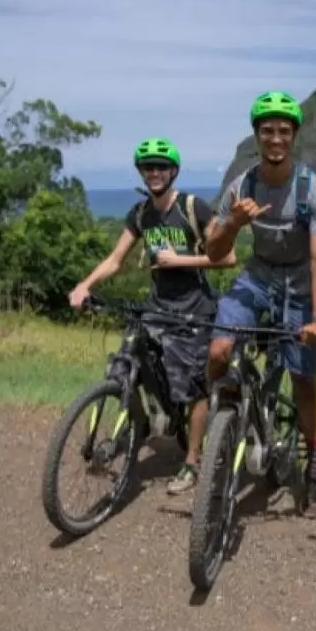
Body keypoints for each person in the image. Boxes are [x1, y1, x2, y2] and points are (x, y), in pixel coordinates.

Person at [68, 137, 235, 495]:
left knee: (192, 388)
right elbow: (116, 260)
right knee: (133, 362)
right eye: (148, 167)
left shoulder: (193, 207)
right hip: (158, 306)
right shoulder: (141, 214)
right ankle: (141, 423)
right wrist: (85, 285)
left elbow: (227, 257)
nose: (154, 172)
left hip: (194, 311)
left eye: (160, 166)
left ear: (173, 171)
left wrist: (181, 261)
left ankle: (192, 460)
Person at [205, 91, 316, 520]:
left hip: (298, 287)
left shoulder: (311, 190)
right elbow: (213, 248)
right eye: (267, 131)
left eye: (283, 131)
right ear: (256, 136)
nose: (275, 138)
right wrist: (233, 222)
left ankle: (314, 473)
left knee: (302, 380)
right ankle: (223, 427)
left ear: (293, 136)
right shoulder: (242, 186)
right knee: (220, 351)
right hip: (256, 279)